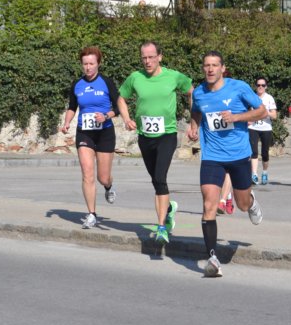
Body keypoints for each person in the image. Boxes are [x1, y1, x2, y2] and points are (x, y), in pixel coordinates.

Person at [187, 51, 265, 277]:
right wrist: (194, 127)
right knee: (209, 205)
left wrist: (236, 117)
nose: (210, 69)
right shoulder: (199, 93)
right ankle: (212, 258)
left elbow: (262, 111)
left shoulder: (238, 88)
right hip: (212, 157)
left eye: (214, 65)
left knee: (241, 204)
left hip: (239, 155)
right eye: (206, 65)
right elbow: (196, 111)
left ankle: (251, 202)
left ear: (222, 68)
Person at [117, 41, 193, 244]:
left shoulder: (173, 76)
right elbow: (121, 98)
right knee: (156, 181)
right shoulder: (136, 77)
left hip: (167, 135)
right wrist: (127, 119)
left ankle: (161, 228)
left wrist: (194, 122)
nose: (147, 61)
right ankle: (169, 209)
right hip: (145, 137)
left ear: (160, 56)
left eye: (151, 57)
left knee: (160, 178)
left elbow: (192, 92)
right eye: (144, 58)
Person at [60, 46, 119, 229]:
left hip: (105, 132)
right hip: (84, 132)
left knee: (103, 177)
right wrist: (67, 122)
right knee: (87, 173)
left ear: (98, 64)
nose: (88, 67)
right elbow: (72, 107)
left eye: (91, 63)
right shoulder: (77, 84)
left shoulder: (106, 82)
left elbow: (118, 107)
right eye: (85, 64)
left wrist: (106, 116)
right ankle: (92, 214)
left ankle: (108, 187)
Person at [249, 76, 278, 185]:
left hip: (266, 128)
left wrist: (265, 112)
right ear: (255, 86)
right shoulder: (251, 97)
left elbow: (274, 116)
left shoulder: (269, 98)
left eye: (263, 85)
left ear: (266, 87)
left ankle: (265, 172)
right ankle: (254, 174)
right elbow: (247, 112)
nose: (260, 87)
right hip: (253, 127)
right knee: (254, 152)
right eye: (258, 85)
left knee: (265, 153)